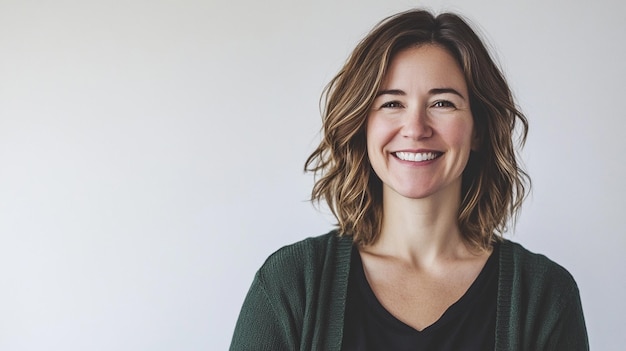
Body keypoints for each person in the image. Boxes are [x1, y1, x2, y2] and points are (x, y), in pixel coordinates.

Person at [229, 9, 588, 351]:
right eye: (391, 104)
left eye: (443, 103)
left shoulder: (544, 295)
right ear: (362, 125)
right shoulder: (291, 284)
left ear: (478, 129)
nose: (416, 129)